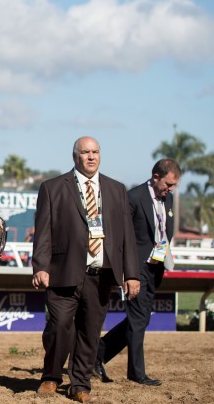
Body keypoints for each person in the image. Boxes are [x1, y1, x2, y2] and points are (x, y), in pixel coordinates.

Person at [32, 136, 140, 403]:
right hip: (62, 272)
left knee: (90, 332)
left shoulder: (116, 189)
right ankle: (51, 377)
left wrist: (132, 273)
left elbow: (126, 235)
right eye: (85, 152)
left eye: (95, 152)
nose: (91, 157)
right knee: (59, 326)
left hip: (100, 274)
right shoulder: (53, 187)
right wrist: (41, 266)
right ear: (75, 156)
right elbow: (43, 232)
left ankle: (80, 384)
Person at [95, 158, 181, 386]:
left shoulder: (168, 198)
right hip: (137, 267)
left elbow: (164, 230)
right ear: (155, 177)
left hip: (157, 267)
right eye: (168, 184)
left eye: (173, 185)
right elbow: (123, 237)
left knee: (139, 319)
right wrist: (126, 271)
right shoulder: (133, 197)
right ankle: (136, 372)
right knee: (138, 319)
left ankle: (98, 353)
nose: (171, 189)